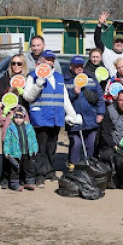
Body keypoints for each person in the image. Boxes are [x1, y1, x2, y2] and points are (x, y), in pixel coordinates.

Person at [22, 49, 82, 186]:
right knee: (40, 148)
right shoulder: (33, 76)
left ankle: (50, 172)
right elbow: (28, 96)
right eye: (46, 59)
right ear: (40, 61)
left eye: (51, 60)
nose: (49, 62)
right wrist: (38, 84)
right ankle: (40, 175)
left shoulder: (59, 77)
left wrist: (72, 114)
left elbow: (65, 98)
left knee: (52, 147)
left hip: (56, 117)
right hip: (40, 117)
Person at [65, 55, 105, 166]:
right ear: (71, 66)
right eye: (76, 66)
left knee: (91, 143)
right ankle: (73, 166)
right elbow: (64, 100)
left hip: (91, 118)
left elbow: (100, 97)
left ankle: (89, 166)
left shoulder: (91, 78)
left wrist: (100, 113)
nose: (79, 69)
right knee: (76, 143)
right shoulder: (66, 80)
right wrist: (74, 93)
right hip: (74, 119)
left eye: (81, 66)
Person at [0, 53, 28, 188]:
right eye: (13, 63)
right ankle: (5, 177)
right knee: (7, 148)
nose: (15, 66)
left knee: (21, 149)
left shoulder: (27, 80)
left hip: (22, 118)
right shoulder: (4, 80)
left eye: (19, 63)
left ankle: (19, 177)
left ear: (23, 65)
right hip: (8, 117)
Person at [3, 106, 39, 191]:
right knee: (15, 169)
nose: (18, 120)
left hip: (27, 152)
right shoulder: (10, 128)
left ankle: (29, 182)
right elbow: (7, 141)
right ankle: (14, 184)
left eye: (21, 117)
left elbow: (33, 139)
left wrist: (34, 149)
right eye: (16, 117)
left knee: (28, 168)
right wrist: (7, 152)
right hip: (15, 153)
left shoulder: (29, 127)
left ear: (24, 118)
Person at [94, 11, 123, 76]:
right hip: (113, 82)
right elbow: (97, 40)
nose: (119, 43)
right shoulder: (107, 53)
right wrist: (99, 24)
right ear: (113, 43)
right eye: (117, 41)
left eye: (121, 42)